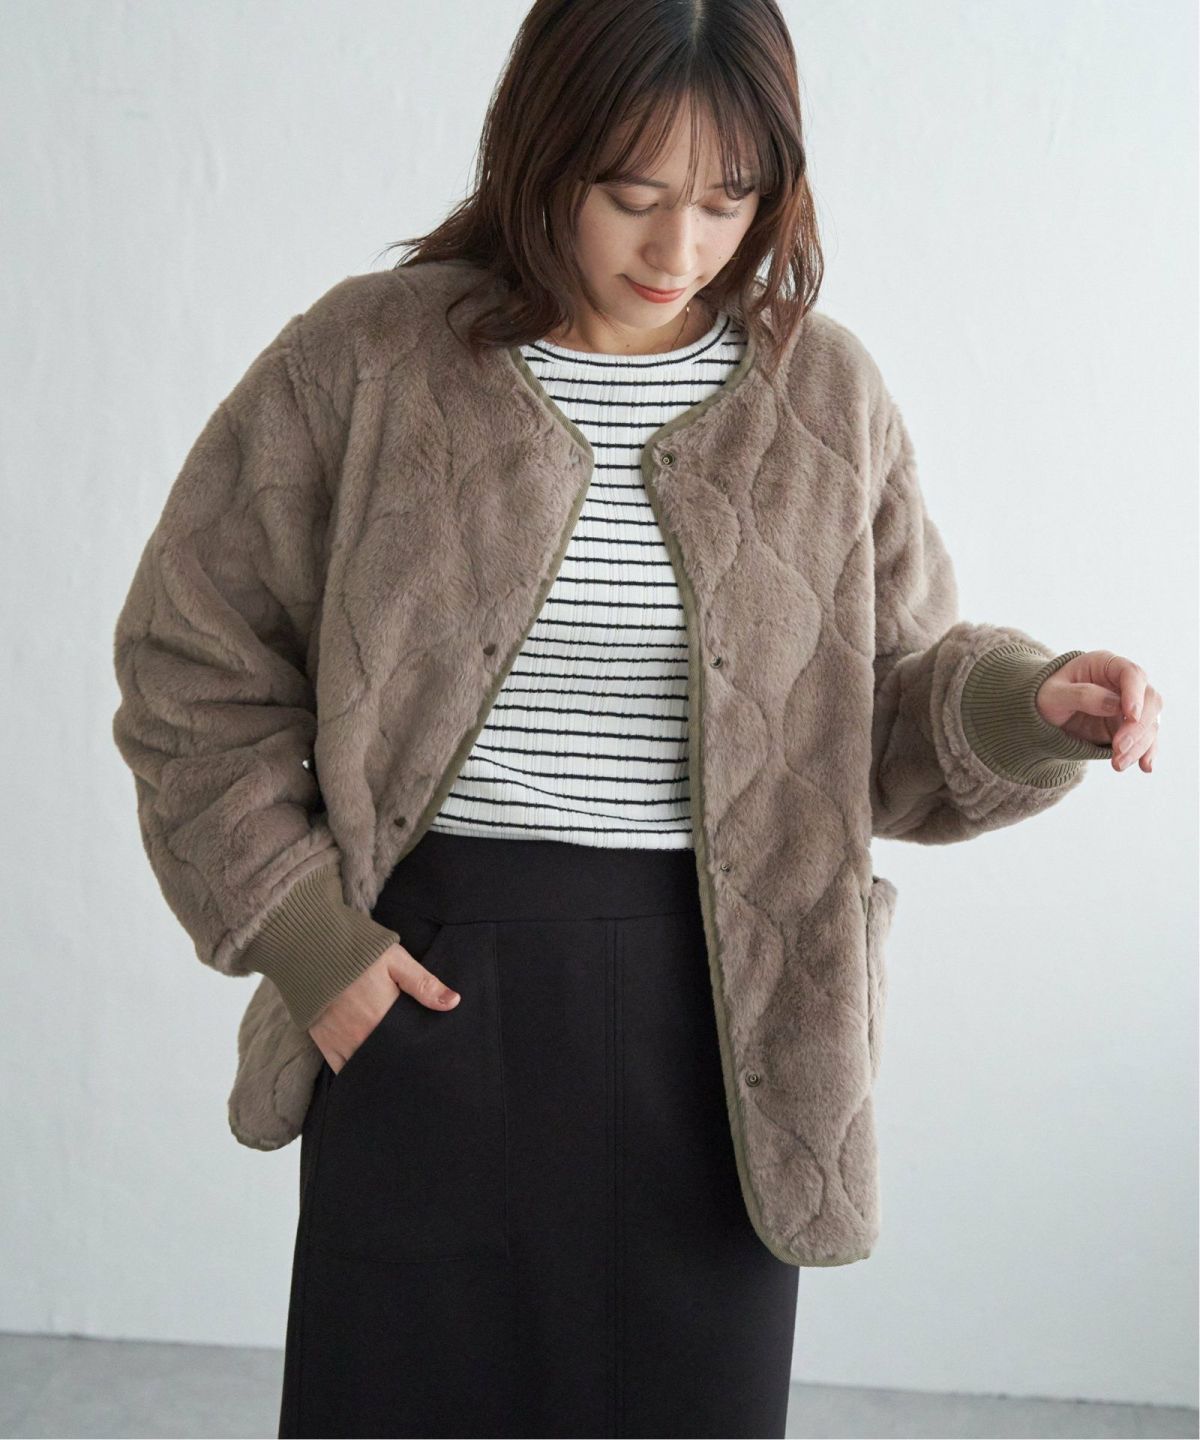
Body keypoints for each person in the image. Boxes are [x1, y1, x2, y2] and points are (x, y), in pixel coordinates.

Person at [109, 2, 1162, 1437]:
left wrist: (1030, 705)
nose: (682, 248)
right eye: (632, 194)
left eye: (730, 200)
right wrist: (311, 945)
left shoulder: (824, 396)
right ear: (539, 155)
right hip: (432, 983)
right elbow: (191, 660)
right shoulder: (367, 359)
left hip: (731, 1025)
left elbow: (882, 713)